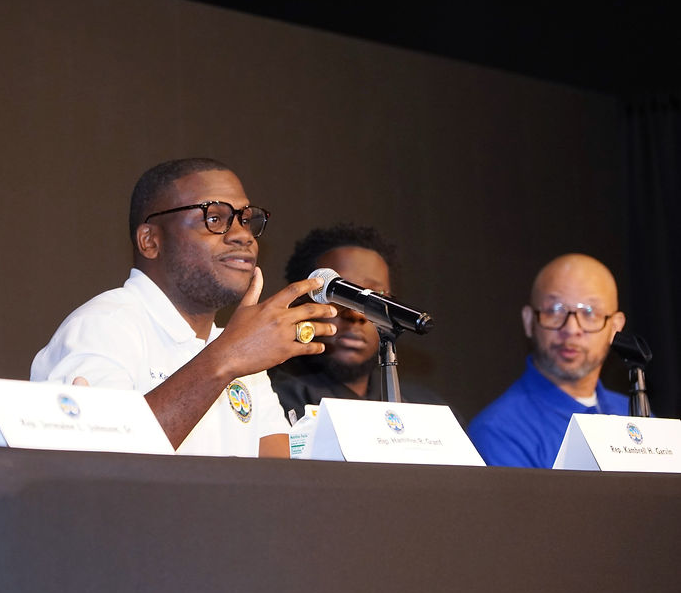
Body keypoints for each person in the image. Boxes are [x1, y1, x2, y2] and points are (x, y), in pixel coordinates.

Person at [31, 158, 337, 457]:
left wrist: (230, 352)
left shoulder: (233, 346)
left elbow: (278, 482)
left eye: (246, 220)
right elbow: (105, 464)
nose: (243, 235)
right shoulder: (102, 327)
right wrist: (228, 356)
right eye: (214, 218)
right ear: (150, 241)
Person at [268, 223, 444, 422]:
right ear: (301, 301)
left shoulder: (424, 411)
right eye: (340, 294)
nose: (356, 314)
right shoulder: (269, 400)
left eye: (375, 296)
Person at [467, 253, 628, 468]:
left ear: (615, 327)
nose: (571, 329)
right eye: (555, 310)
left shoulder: (635, 418)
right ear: (528, 321)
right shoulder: (500, 431)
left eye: (590, 312)